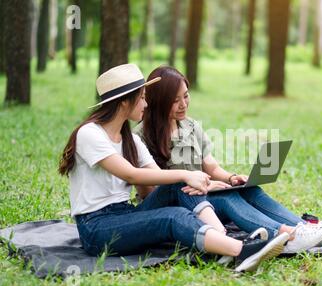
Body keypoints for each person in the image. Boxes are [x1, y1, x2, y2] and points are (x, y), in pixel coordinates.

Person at [58, 63, 291, 273]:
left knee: (177, 185)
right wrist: (187, 174)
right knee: (173, 216)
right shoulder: (90, 134)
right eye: (141, 98)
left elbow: (161, 180)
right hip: (97, 228)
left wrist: (200, 182)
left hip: (126, 214)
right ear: (124, 101)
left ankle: (221, 239)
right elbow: (130, 174)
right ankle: (241, 250)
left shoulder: (130, 140)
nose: (146, 103)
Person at [135, 66, 322, 254]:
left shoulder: (191, 126)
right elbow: (149, 192)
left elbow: (210, 166)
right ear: (159, 102)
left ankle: (305, 228)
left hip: (204, 197)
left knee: (248, 189)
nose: (183, 104)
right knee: (225, 198)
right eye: (175, 100)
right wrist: (204, 186)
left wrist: (231, 178)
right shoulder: (142, 137)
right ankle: (285, 235)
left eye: (186, 95)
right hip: (178, 205)